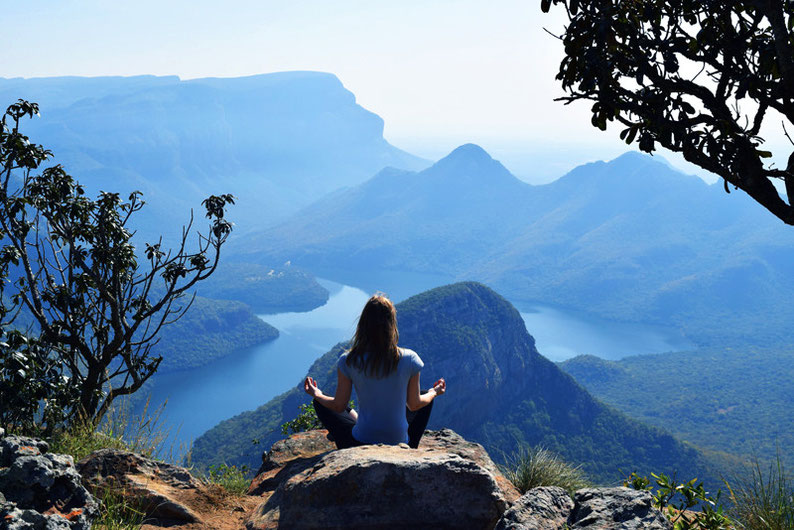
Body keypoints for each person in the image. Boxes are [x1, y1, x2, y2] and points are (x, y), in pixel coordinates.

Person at [303, 294, 446, 449]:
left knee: (321, 403)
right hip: (399, 442)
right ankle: (411, 449)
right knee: (425, 396)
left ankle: (359, 423)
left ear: (363, 324)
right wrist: (434, 392)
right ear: (392, 324)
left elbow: (338, 406)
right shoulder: (410, 358)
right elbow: (414, 404)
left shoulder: (349, 360)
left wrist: (316, 393)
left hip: (360, 441)